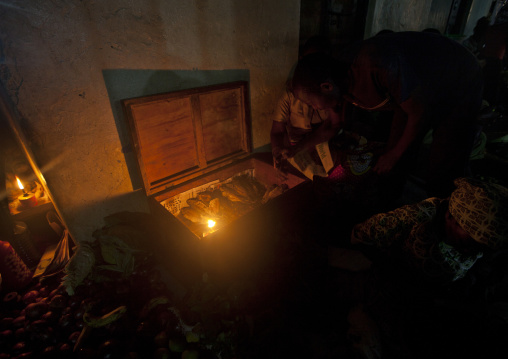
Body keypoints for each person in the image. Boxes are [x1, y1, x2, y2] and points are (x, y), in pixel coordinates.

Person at [290, 31, 484, 199]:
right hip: (411, 94)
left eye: (310, 103)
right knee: (395, 161)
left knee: (443, 165)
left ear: (326, 86)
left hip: (457, 79)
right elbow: (333, 125)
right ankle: (388, 208)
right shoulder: (335, 82)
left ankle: (449, 218)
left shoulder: (377, 64)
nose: (313, 109)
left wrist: (394, 154)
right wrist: (297, 149)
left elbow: (419, 114)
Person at [328, 177, 508, 358]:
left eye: (483, 245)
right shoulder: (419, 217)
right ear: (450, 217)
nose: (475, 247)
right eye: (471, 238)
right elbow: (369, 232)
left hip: (439, 292)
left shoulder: (481, 240)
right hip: (401, 283)